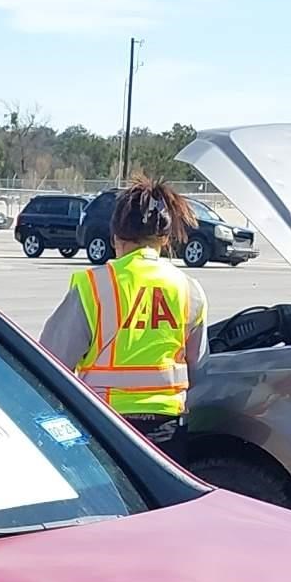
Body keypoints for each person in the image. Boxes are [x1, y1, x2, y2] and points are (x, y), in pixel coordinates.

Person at [37, 176, 207, 443]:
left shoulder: (94, 285)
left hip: (106, 422)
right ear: (164, 238)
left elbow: (52, 358)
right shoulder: (190, 289)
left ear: (116, 236)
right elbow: (197, 366)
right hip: (169, 429)